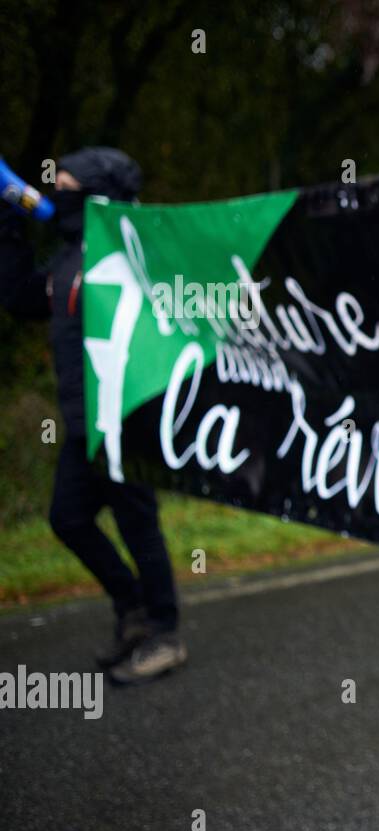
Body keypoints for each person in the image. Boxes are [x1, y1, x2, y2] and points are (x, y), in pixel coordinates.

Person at [0, 147, 187, 685]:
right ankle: (132, 612)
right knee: (68, 519)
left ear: (97, 192)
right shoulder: (65, 260)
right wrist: (8, 224)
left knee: (138, 524)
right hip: (83, 424)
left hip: (124, 419)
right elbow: (18, 297)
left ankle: (165, 634)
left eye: (65, 180)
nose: (54, 186)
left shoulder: (127, 253)